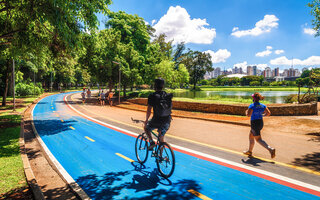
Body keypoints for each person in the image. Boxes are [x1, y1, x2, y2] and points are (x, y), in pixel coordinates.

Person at [243, 92, 276, 158]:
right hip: (260, 122)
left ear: (253, 99)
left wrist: (246, 112)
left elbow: (248, 115)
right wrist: (262, 115)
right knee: (251, 136)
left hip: (254, 123)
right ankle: (249, 151)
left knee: (258, 139)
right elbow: (268, 113)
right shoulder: (263, 105)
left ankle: (270, 149)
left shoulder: (252, 106)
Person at [144, 78, 173, 151]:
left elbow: (149, 110)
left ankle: (151, 142)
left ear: (154, 86)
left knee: (146, 128)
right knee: (161, 137)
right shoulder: (167, 95)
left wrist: (146, 120)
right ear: (163, 86)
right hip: (167, 120)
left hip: (156, 121)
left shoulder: (152, 96)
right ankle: (160, 156)